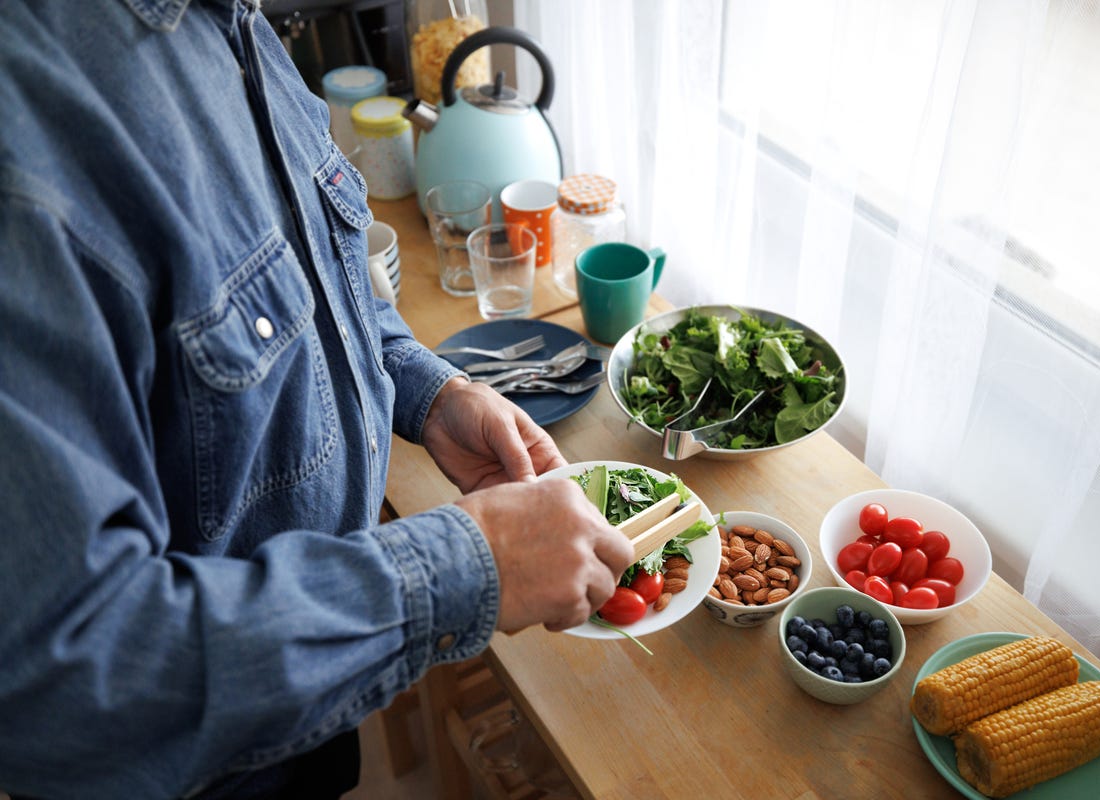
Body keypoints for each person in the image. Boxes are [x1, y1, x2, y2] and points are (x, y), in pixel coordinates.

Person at [0, 1, 634, 798]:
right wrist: (470, 564)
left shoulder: (231, 25)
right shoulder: (28, 134)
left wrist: (429, 390)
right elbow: (67, 677)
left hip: (309, 712)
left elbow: (312, 279)